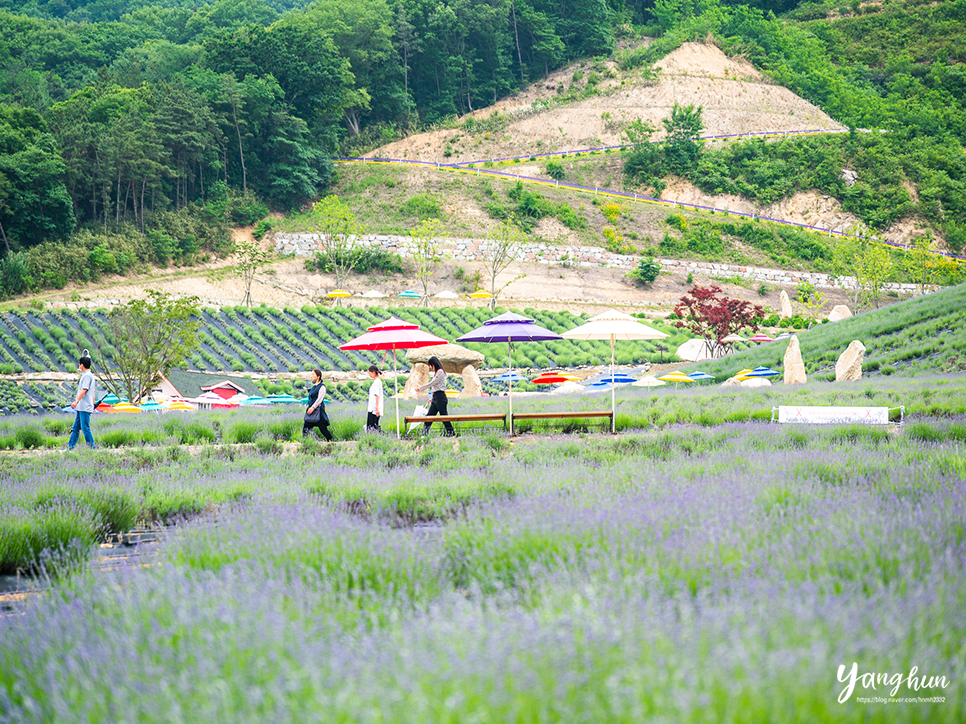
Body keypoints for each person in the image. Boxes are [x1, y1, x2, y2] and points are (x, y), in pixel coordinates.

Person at [418, 356, 455, 436]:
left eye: (431, 365)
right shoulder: (437, 373)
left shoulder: (440, 372)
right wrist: (431, 398)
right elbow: (435, 388)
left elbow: (433, 384)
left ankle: (451, 433)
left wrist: (420, 388)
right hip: (436, 397)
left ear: (434, 364)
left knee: (444, 417)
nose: (431, 368)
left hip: (440, 397)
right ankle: (424, 434)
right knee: (429, 416)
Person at [68, 353, 96, 450]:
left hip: (84, 406)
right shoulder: (88, 375)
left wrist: (76, 401)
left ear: (82, 365)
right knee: (75, 428)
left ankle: (92, 448)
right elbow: (93, 392)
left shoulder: (87, 376)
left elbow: (84, 389)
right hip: (82, 407)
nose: (79, 366)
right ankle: (70, 448)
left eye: (79, 364)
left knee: (85, 428)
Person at [303, 368, 333, 441]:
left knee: (323, 429)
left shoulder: (322, 386)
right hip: (311, 410)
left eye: (313, 374)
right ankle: (305, 443)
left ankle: (331, 441)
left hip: (318, 411)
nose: (311, 376)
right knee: (305, 428)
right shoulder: (313, 387)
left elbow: (320, 398)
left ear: (318, 376)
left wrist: (313, 407)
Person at [366, 364, 383, 433]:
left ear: (373, 372)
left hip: (374, 409)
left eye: (369, 373)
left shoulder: (377, 382)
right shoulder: (377, 381)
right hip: (373, 408)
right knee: (372, 427)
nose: (369, 374)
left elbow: (377, 395)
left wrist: (376, 408)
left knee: (372, 427)